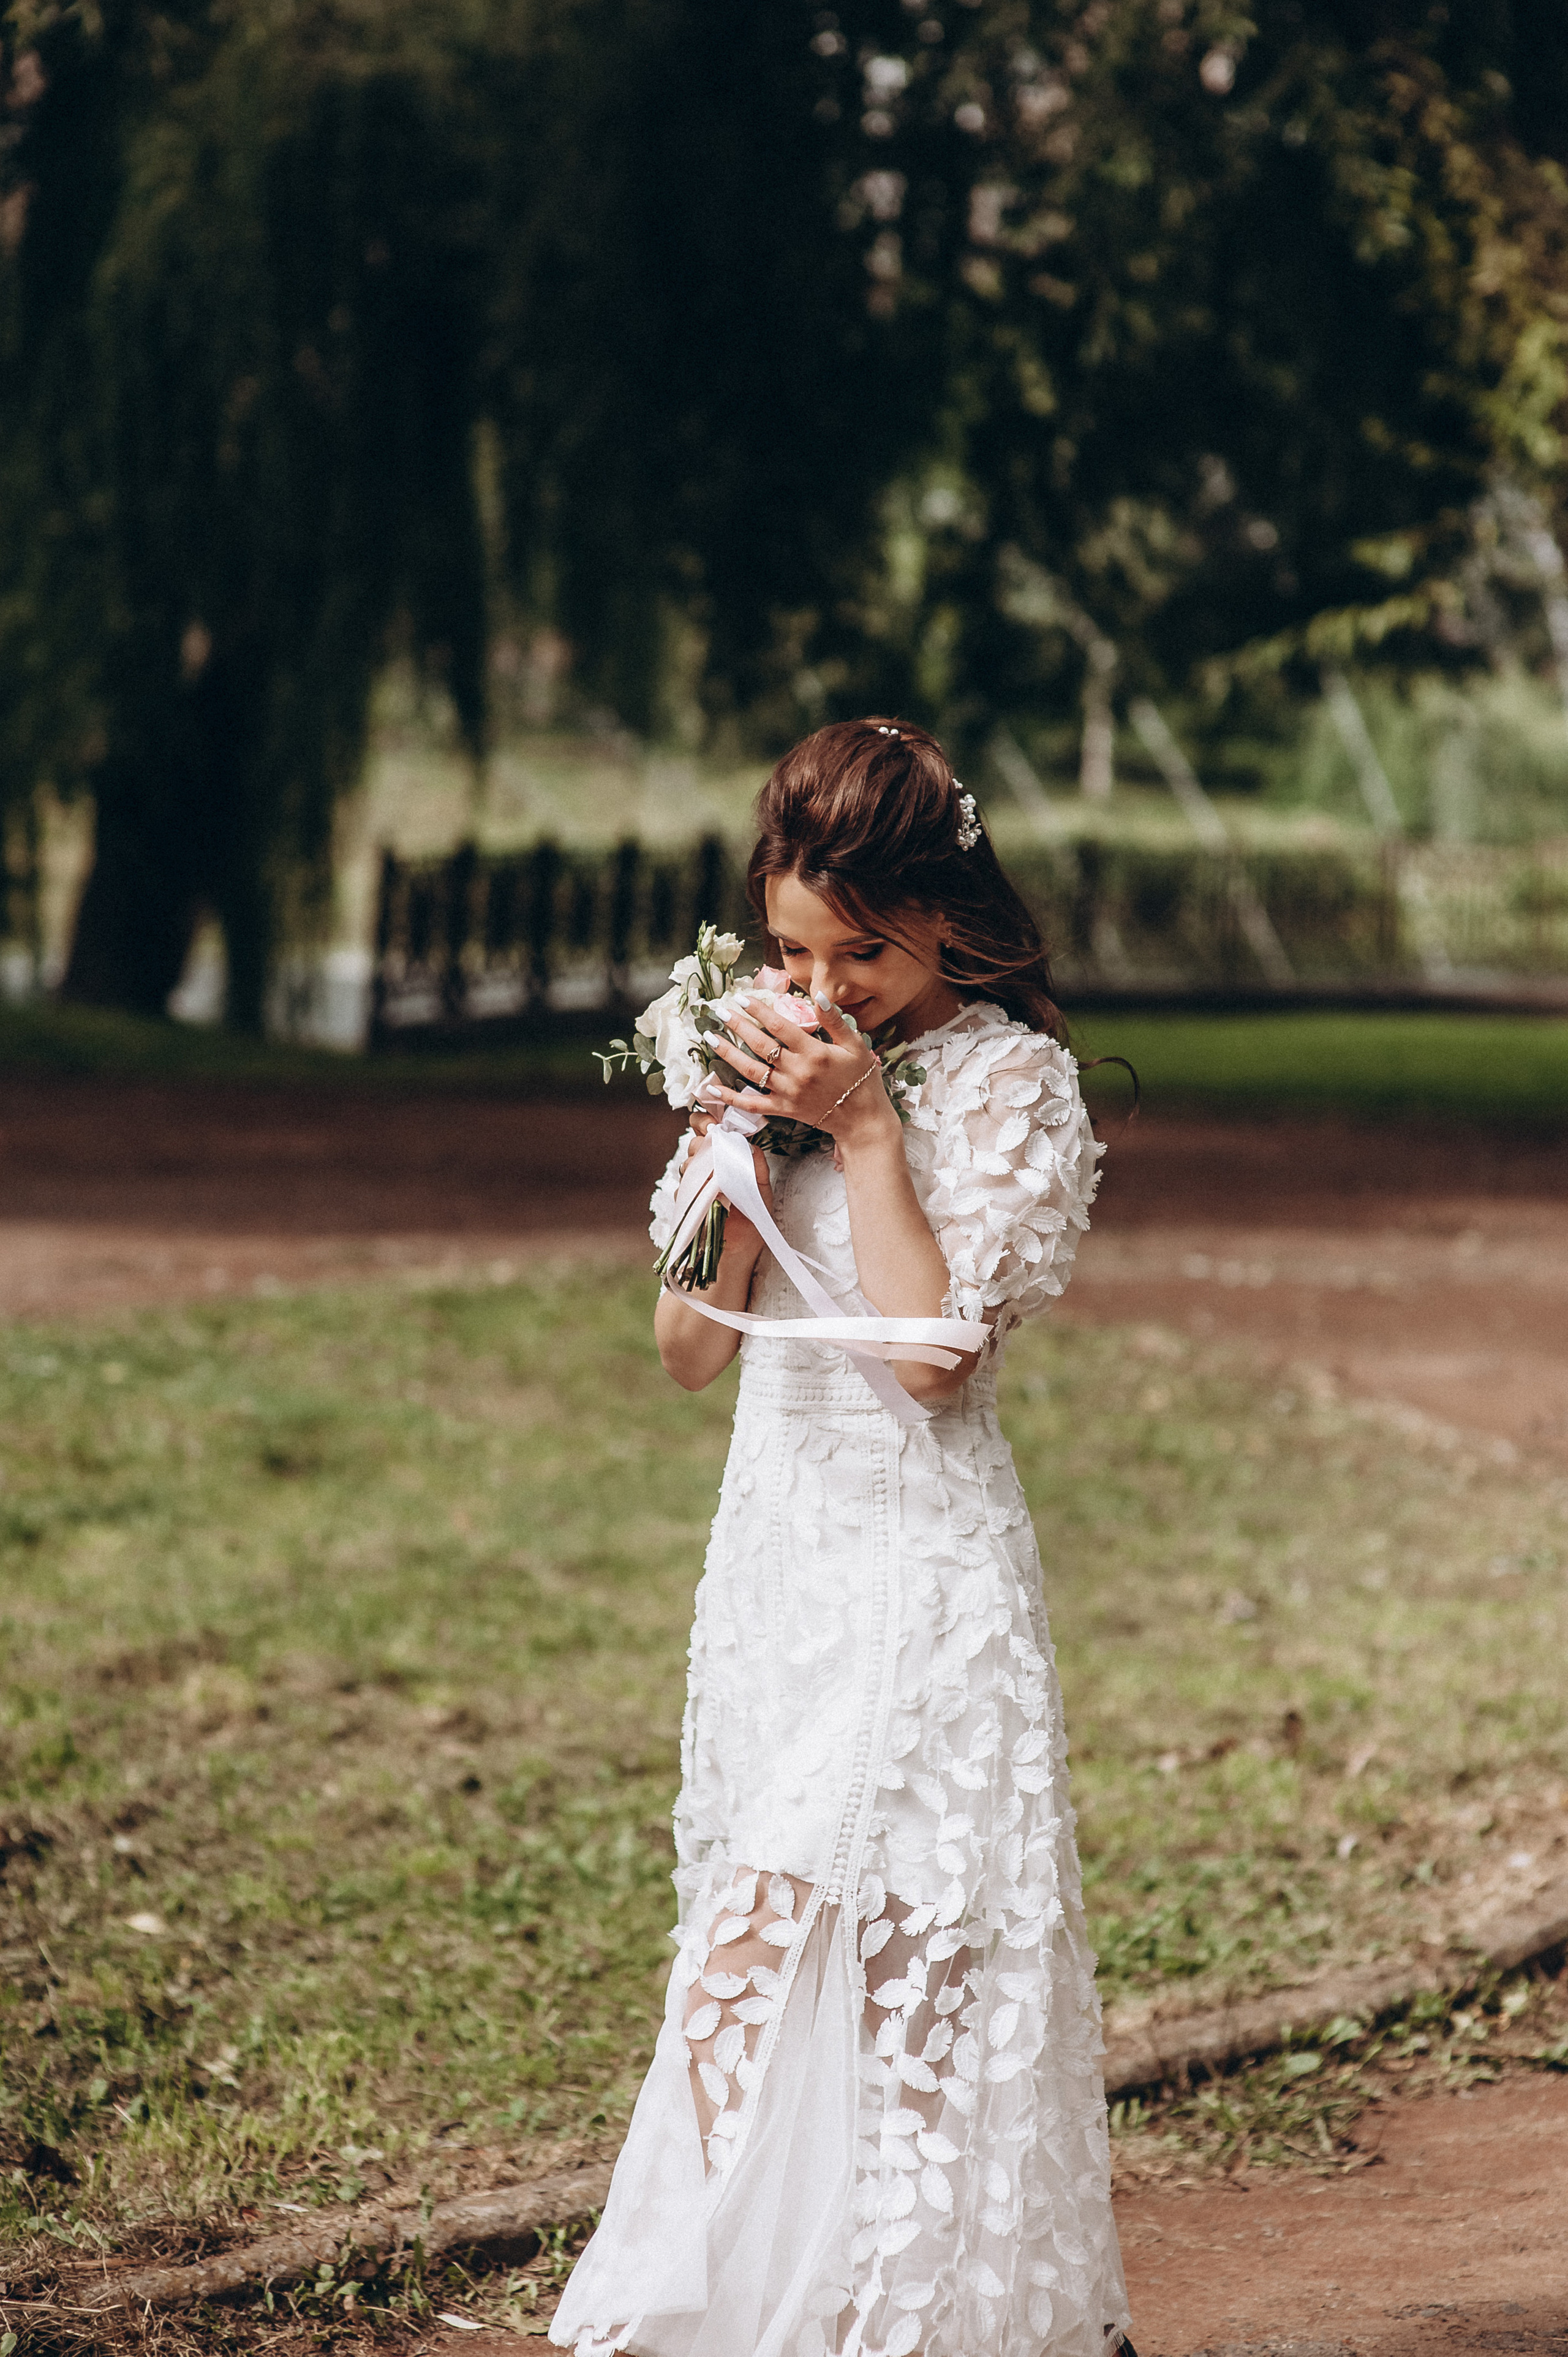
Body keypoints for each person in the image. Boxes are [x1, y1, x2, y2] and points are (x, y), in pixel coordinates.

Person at [550, 719, 1136, 2357]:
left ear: (949, 915)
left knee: (895, 1968)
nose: (824, 989)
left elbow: (932, 1368)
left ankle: (883, 2316)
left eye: (862, 953)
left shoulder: (1013, 1085)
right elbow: (686, 1349)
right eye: (795, 951)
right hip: (781, 1565)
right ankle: (761, 2309)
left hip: (919, 1573)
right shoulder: (773, 1067)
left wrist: (869, 1131)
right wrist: (745, 1145)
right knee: (760, 1935)